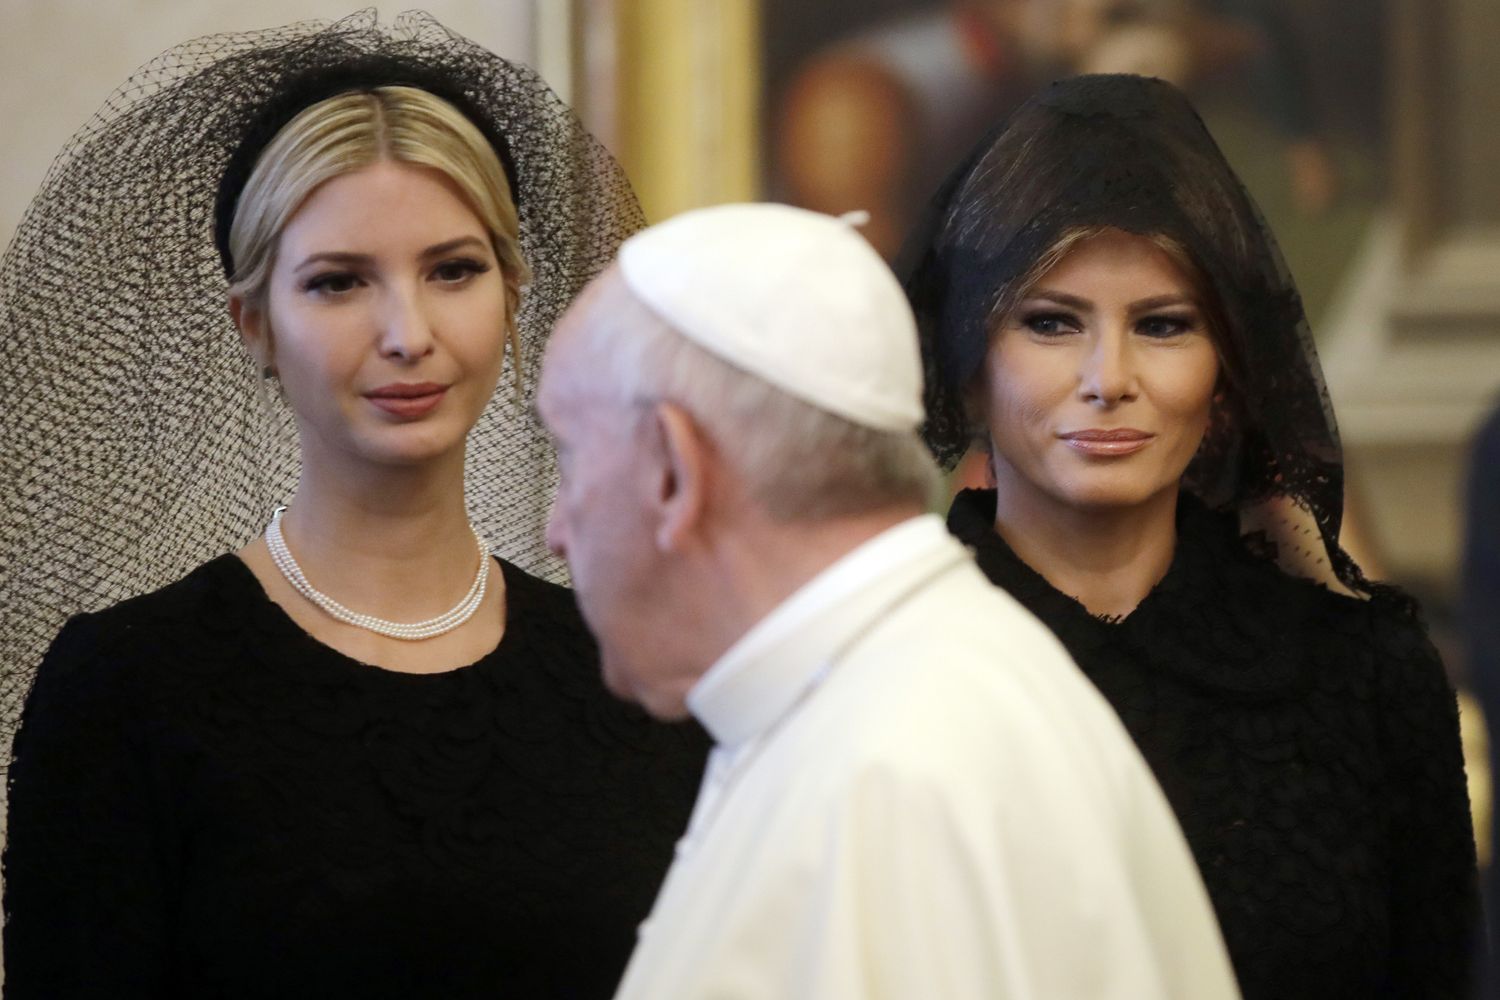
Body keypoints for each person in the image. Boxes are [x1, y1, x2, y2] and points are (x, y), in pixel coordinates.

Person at [0, 13, 705, 997]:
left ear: (513, 293)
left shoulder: (633, 677)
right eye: (338, 283)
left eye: (453, 270)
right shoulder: (129, 689)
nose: (407, 332)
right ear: (255, 324)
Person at [537, 202, 1242, 999]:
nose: (557, 528)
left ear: (673, 471)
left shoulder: (895, 769)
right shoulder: (907, 690)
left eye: (568, 456)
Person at [901, 73, 1478, 998]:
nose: (1108, 377)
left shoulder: (1365, 676)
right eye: (1051, 323)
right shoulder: (886, 667)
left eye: (1163, 326)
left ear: (1226, 374)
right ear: (969, 366)